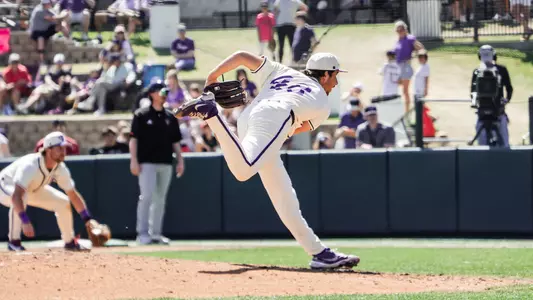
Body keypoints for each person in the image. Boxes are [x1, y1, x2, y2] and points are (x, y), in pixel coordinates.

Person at [174, 51, 360, 270]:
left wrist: (213, 76)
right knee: (244, 171)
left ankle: (319, 253)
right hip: (276, 117)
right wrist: (277, 131)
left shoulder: (282, 70)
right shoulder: (322, 103)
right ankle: (212, 115)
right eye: (335, 75)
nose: (336, 82)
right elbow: (295, 130)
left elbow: (243, 56)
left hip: (249, 116)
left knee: (285, 197)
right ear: (326, 75)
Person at [0, 131, 104, 251]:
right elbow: (16, 196)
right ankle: (14, 242)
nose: (63, 152)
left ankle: (69, 243)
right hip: (4, 187)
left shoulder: (60, 167)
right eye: (59, 148)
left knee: (63, 202)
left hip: (30, 189)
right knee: (21, 198)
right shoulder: (30, 165)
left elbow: (73, 195)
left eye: (64, 148)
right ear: (48, 149)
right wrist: (25, 220)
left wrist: (88, 219)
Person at [129, 81, 184, 245]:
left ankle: (156, 234)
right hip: (146, 163)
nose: (164, 93)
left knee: (160, 199)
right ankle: (142, 234)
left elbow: (176, 141)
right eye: (160, 90)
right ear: (152, 94)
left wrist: (180, 160)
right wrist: (133, 160)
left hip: (166, 162)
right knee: (146, 197)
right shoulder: (141, 114)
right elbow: (133, 140)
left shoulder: (170, 116)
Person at [470, 45, 513, 147]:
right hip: (495, 109)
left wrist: (475, 103)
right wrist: (506, 100)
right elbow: (509, 88)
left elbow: (472, 91)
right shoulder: (501, 69)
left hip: (489, 110)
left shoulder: (477, 71)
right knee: (503, 140)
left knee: (484, 140)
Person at [393, 20, 424, 114]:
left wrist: (413, 55)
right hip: (398, 67)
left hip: (406, 67)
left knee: (405, 91)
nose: (400, 32)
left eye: (401, 29)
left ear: (405, 29)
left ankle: (407, 112)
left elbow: (421, 48)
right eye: (398, 30)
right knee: (395, 88)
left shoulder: (410, 38)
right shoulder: (398, 40)